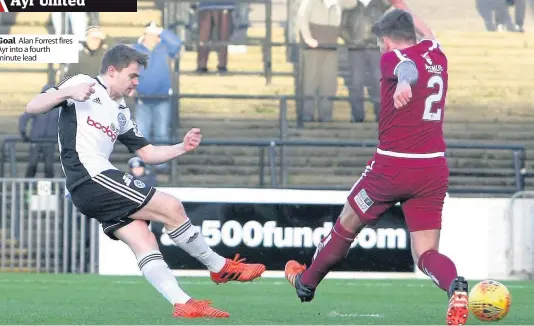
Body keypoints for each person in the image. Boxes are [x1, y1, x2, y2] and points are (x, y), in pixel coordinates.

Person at [25, 44, 266, 319]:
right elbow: (33, 107)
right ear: (112, 71)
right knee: (171, 207)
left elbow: (148, 153)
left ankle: (182, 302)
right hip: (90, 177)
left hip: (94, 186)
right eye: (133, 75)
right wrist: (67, 92)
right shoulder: (83, 83)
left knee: (144, 239)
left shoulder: (120, 111)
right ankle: (220, 266)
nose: (136, 82)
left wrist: (181, 148)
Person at [283, 9, 469, 326]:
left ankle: (307, 282)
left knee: (347, 223)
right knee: (426, 253)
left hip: (392, 167)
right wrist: (402, 7)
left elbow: (406, 66)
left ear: (384, 41)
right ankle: (455, 287)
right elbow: (423, 36)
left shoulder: (392, 58)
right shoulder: (437, 53)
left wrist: (403, 84)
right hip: (433, 169)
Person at [19, 84, 59, 178]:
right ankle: (27, 189)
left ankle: (51, 190)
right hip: (36, 140)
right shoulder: (37, 105)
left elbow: (65, 121)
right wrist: (23, 132)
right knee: (32, 164)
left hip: (50, 141)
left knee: (49, 166)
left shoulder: (58, 108)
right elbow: (24, 117)